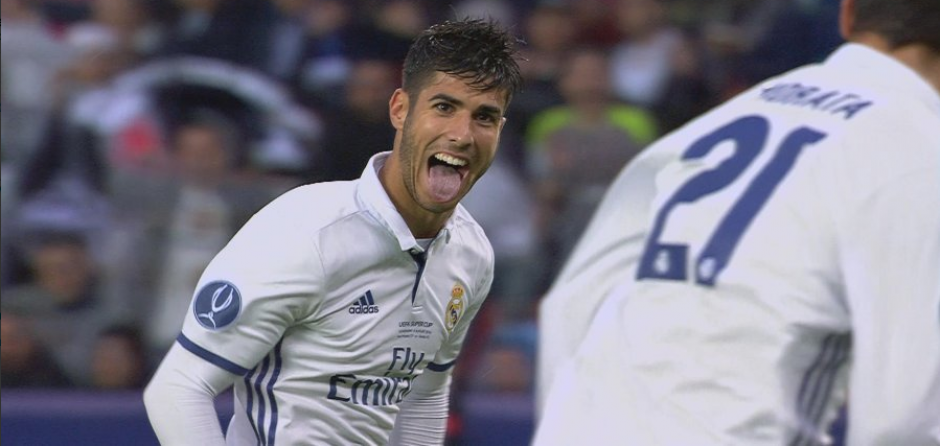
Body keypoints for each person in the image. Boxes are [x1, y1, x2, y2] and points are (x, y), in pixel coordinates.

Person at [535, 0, 940, 444]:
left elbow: (571, 306)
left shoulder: (715, 122)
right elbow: (903, 423)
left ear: (847, 15)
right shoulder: (919, 150)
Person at [143, 18, 522, 445]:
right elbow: (178, 387)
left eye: (484, 117)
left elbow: (424, 396)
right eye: (444, 107)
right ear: (400, 109)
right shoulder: (305, 230)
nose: (462, 134)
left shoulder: (471, 255)